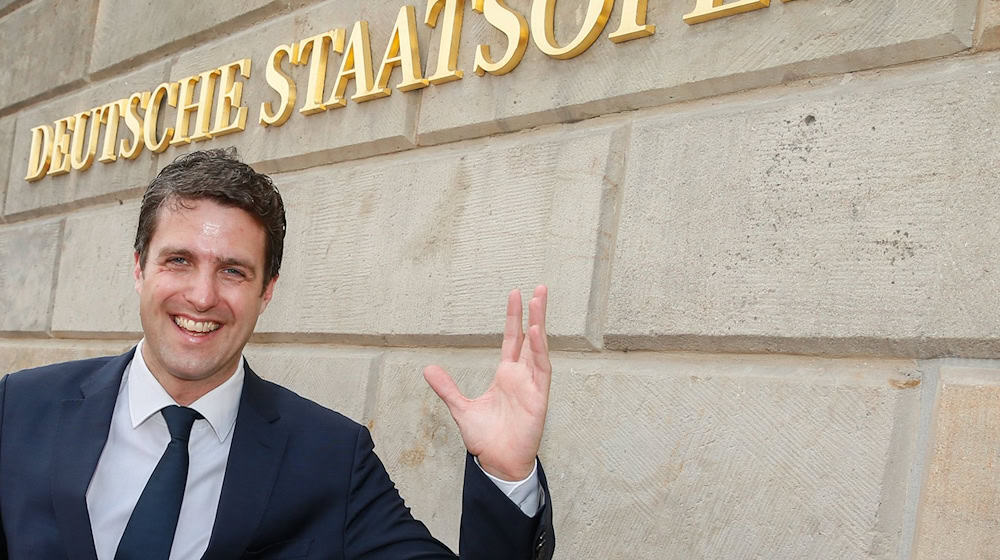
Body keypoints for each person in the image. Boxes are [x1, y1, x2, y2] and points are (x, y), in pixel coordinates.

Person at [0, 149, 555, 559]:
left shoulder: (332, 457)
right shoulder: (19, 408)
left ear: (267, 291)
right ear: (140, 266)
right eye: (178, 261)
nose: (202, 295)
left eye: (233, 271)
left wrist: (507, 473)